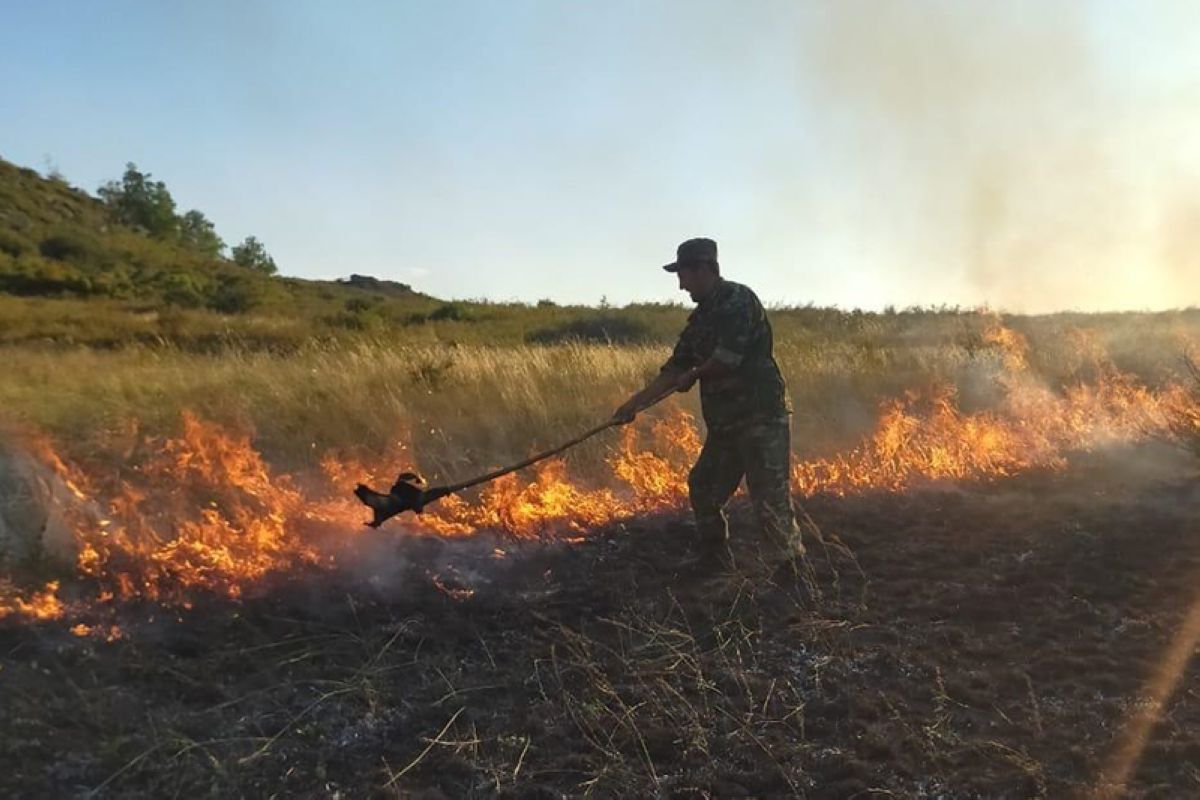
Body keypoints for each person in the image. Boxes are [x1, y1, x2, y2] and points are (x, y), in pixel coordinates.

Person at [613, 237, 804, 561]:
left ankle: (791, 570)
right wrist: (633, 405)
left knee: (770, 502)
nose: (681, 286)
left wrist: (695, 374)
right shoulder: (699, 321)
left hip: (760, 417)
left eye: (683, 275)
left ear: (703, 269)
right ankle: (714, 558)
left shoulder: (738, 300)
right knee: (703, 487)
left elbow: (726, 359)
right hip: (726, 425)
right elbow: (673, 371)